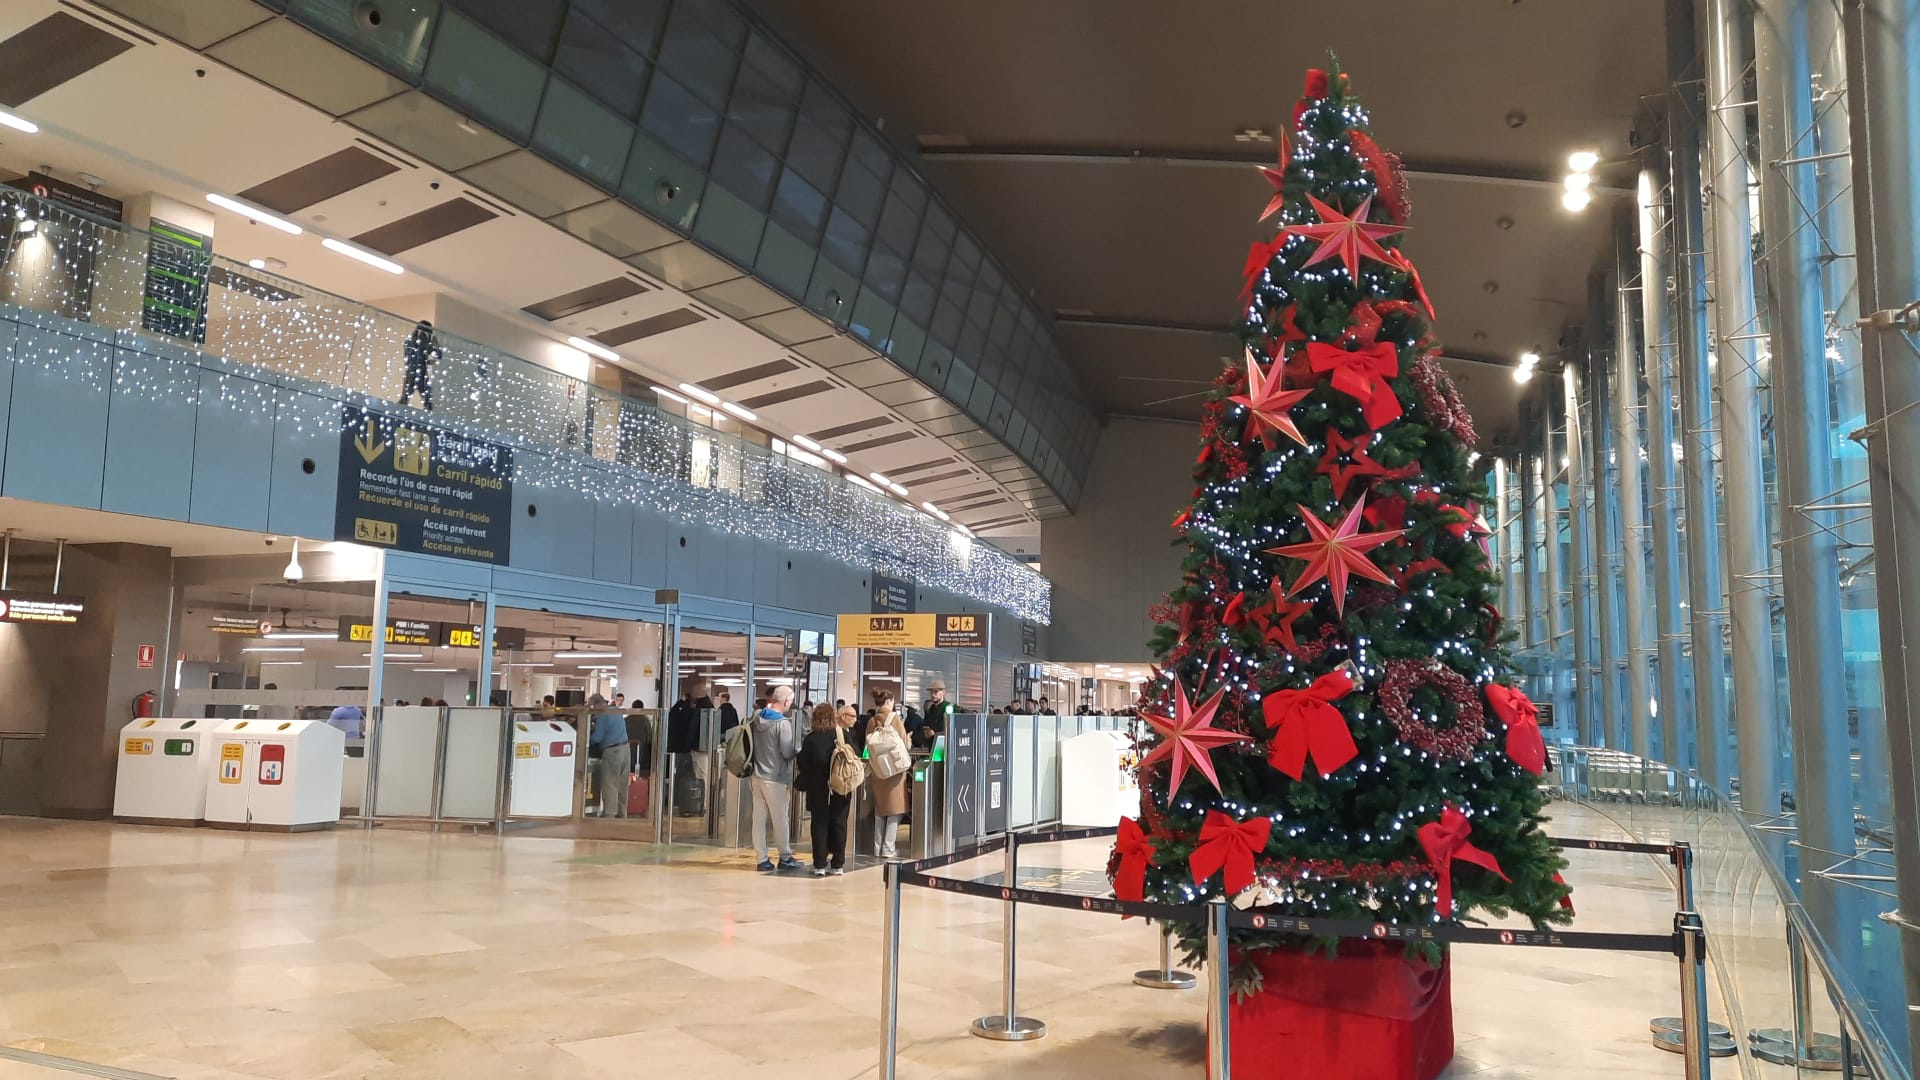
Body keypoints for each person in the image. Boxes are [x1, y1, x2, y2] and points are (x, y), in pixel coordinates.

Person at [749, 686, 802, 872]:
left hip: (756, 775)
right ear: (786, 701)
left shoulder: (756, 718)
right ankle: (785, 857)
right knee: (780, 819)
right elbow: (787, 752)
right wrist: (798, 750)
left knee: (759, 818)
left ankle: (761, 859)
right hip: (776, 778)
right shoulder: (783, 724)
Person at [796, 703, 852, 876]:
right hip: (841, 786)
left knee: (819, 823)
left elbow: (802, 763)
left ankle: (819, 863)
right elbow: (854, 755)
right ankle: (838, 864)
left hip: (818, 787)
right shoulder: (842, 735)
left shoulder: (811, 739)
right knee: (839, 822)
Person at [867, 691, 910, 859]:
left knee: (880, 809)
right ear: (890, 701)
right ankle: (888, 847)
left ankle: (877, 847)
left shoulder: (872, 721)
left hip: (878, 770)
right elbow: (904, 742)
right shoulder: (895, 719)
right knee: (895, 809)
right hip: (895, 771)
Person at [588, 694, 630, 818]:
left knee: (610, 783)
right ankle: (622, 813)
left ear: (596, 704)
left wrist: (585, 740)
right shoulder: (615, 710)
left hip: (612, 751)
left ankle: (610, 814)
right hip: (626, 749)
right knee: (622, 784)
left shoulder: (602, 714)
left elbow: (598, 737)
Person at [399, 319, 439, 410]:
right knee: (428, 402)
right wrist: (435, 345)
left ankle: (395, 415)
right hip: (421, 373)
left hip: (410, 372)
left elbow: (411, 358)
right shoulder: (423, 339)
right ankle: (428, 420)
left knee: (404, 399)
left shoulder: (409, 341)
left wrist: (426, 361)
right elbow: (437, 355)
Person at [918, 681, 955, 750]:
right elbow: (927, 724)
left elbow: (950, 729)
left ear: (943, 692)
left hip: (945, 747)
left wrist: (935, 733)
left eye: (936, 692)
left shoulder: (950, 708)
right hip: (933, 746)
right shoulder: (931, 709)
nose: (933, 695)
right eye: (931, 692)